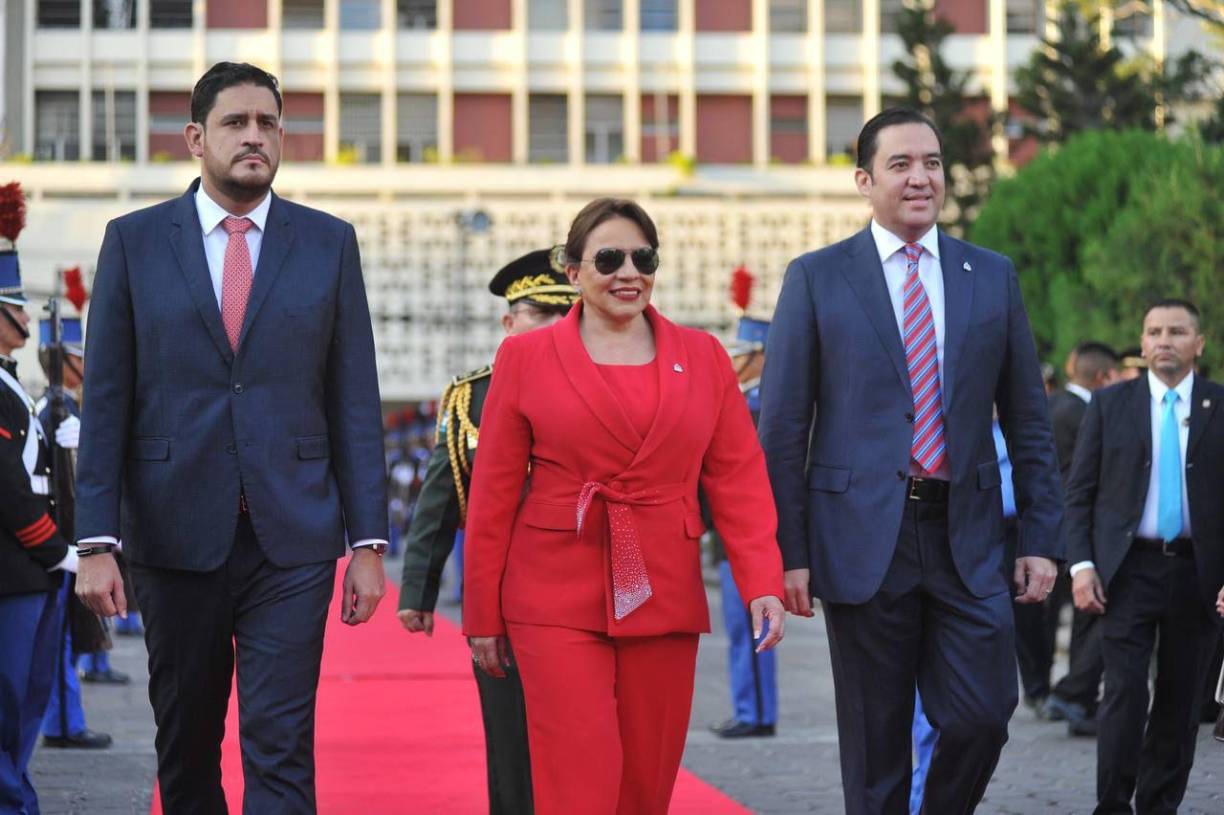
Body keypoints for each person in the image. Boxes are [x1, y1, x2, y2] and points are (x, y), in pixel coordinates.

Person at [74, 62, 389, 813]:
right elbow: (108, 400)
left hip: (295, 536)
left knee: (281, 745)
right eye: (236, 122)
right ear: (195, 137)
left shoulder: (327, 244)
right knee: (186, 746)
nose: (255, 136)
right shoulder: (135, 242)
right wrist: (94, 542)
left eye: (269, 123)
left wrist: (369, 544)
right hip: (173, 533)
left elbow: (353, 396)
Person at [759, 106, 1063, 814]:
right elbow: (781, 428)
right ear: (864, 180)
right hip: (865, 537)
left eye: (931, 162)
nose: (920, 177)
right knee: (876, 745)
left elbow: (1027, 418)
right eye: (900, 164)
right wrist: (789, 551)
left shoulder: (991, 275)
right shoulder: (816, 278)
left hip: (970, 536)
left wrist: (1043, 538)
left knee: (984, 713)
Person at [463, 198, 785, 815]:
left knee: (645, 783)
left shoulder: (706, 357)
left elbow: (738, 479)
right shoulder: (525, 358)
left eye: (644, 257)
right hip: (552, 595)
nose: (628, 271)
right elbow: (494, 495)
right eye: (609, 258)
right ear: (573, 270)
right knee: (579, 779)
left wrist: (761, 581)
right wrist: (482, 613)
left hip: (663, 589)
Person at [397, 247, 579, 814]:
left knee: (585, 736)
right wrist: (419, 592)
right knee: (512, 740)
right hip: (504, 595)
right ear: (509, 322)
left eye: (565, 314)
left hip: (585, 586)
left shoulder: (603, 383)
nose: (554, 326)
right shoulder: (472, 394)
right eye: (540, 313)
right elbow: (441, 496)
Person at [1067, 299, 1224, 814]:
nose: (1164, 341)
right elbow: (1079, 493)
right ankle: (1112, 805)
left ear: (1198, 344)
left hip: (1197, 574)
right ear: (1141, 343)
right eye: (1154, 331)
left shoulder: (1219, 406)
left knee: (1181, 705)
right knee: (1125, 695)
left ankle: (1160, 806)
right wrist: (1082, 564)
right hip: (1127, 572)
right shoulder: (1110, 406)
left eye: (1177, 332)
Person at [0, 240, 78, 812]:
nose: (27, 318)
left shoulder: (12, 386)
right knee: (7, 699)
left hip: (29, 568)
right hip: (15, 565)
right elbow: (7, 483)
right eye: (16, 307)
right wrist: (52, 548)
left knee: (25, 697)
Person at [33, 317, 116, 751]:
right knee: (60, 637)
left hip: (69, 537)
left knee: (71, 632)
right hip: (57, 540)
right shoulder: (51, 412)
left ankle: (67, 719)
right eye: (78, 357)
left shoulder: (69, 409)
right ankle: (63, 722)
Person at [1030, 342, 1118, 736]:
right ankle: (1072, 692)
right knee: (1093, 612)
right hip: (1080, 529)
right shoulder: (1084, 413)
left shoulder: (1053, 405)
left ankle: (1073, 697)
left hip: (1051, 523)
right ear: (1103, 377)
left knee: (1073, 615)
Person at [708, 313, 779, 739]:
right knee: (739, 628)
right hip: (726, 537)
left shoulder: (759, 407)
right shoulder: (743, 400)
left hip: (747, 538)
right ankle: (748, 707)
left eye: (745, 351)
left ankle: (756, 713)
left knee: (752, 629)